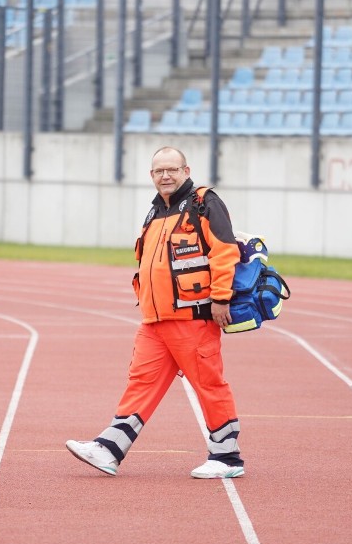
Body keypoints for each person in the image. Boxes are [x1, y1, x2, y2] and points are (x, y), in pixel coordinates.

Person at [66, 146, 245, 479]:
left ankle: (227, 456)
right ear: (151, 176)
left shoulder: (205, 204)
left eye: (172, 170)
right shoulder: (155, 212)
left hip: (192, 319)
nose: (165, 175)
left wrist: (221, 298)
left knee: (209, 384)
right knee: (141, 382)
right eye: (158, 171)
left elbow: (224, 252)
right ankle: (110, 448)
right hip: (154, 320)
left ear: (186, 171)